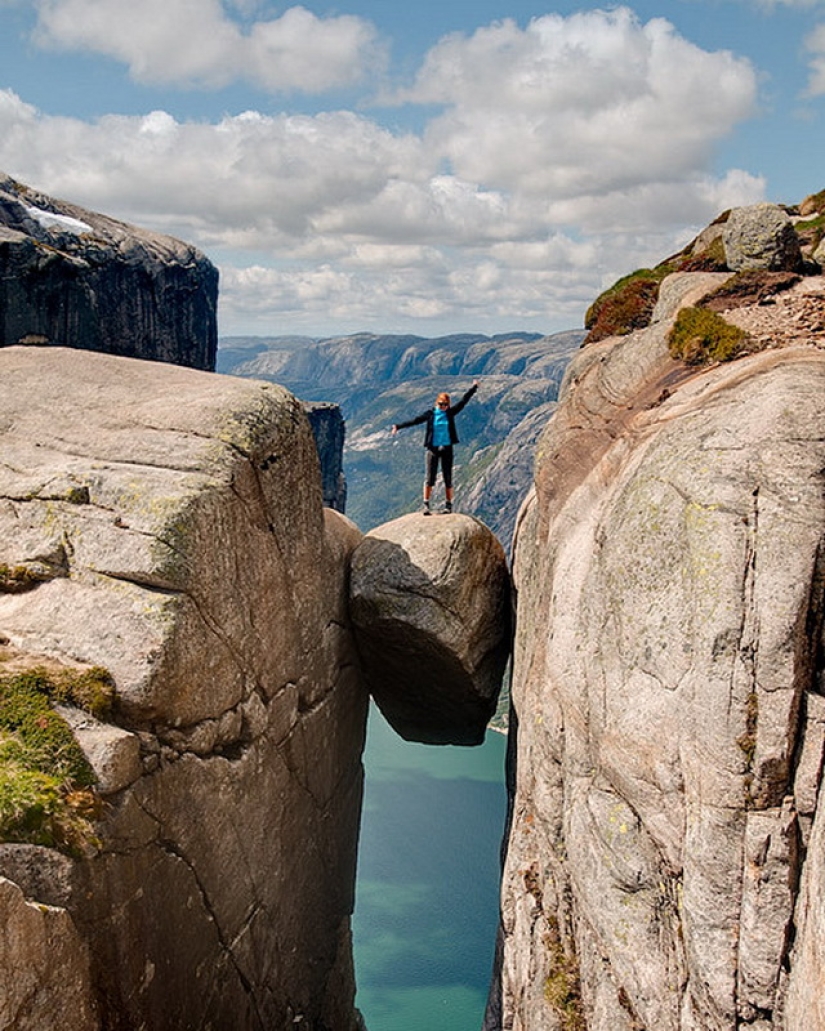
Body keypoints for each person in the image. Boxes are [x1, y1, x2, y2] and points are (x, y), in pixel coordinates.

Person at [391, 381, 480, 515]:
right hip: (432, 449)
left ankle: (448, 505)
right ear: (436, 403)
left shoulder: (450, 413)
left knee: (447, 478)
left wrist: (474, 387)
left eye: (445, 405)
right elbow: (416, 420)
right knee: (430, 478)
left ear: (448, 404)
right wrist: (398, 426)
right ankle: (426, 504)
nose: (443, 407)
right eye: (441, 404)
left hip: (447, 448)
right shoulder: (430, 414)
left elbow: (463, 401)